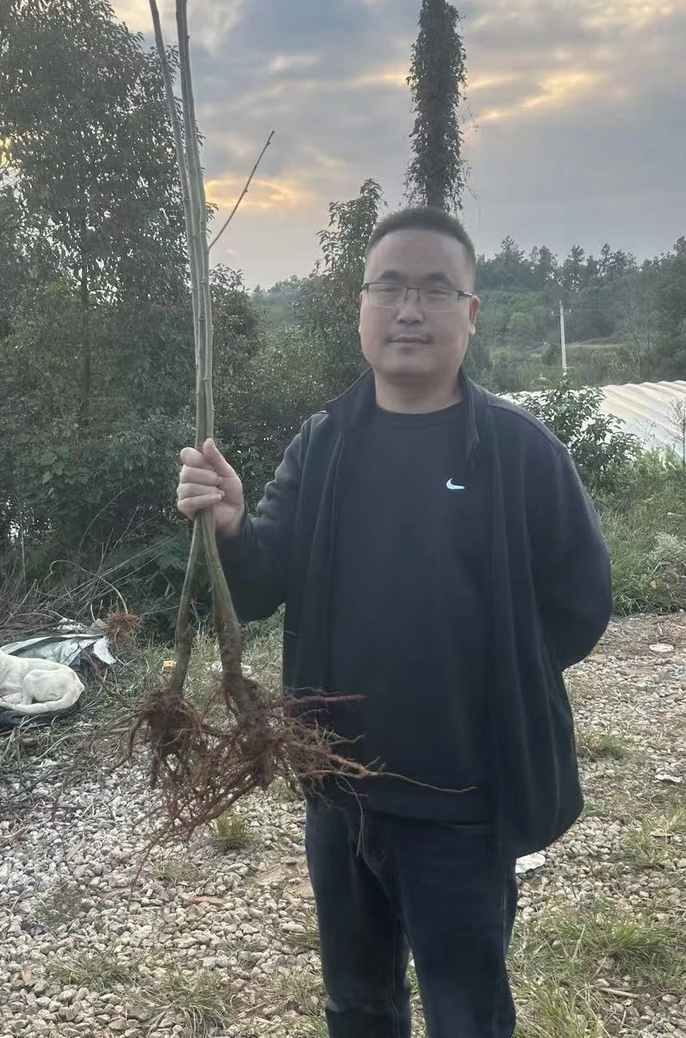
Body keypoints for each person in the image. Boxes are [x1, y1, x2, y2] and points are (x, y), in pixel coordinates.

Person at [176, 206, 612, 1038]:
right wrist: (231, 525)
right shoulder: (325, 443)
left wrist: (500, 683)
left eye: (436, 289)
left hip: (462, 803)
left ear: (471, 314)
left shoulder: (520, 451)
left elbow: (581, 599)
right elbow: (264, 582)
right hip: (339, 794)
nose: (410, 309)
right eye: (391, 287)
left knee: (466, 1011)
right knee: (359, 1004)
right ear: (362, 306)